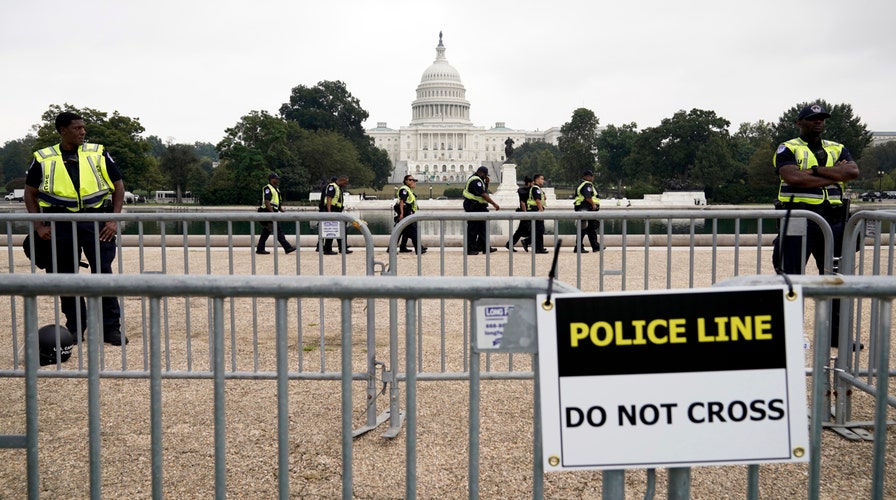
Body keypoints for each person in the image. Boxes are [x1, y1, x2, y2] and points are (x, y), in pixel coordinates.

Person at [23, 111, 127, 345]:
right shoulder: (43, 157)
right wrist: (38, 226)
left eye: (83, 128)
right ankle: (75, 328)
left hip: (96, 221)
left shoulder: (98, 153)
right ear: (63, 131)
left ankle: (111, 328)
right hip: (59, 224)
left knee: (103, 274)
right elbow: (30, 194)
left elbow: (118, 187)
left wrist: (113, 220)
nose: (83, 132)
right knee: (66, 278)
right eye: (78, 128)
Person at [771, 103, 859, 349]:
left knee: (835, 278)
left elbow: (852, 172)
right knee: (791, 277)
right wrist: (833, 174)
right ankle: (789, 335)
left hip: (833, 220)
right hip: (798, 218)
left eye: (821, 118)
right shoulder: (788, 148)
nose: (818, 122)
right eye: (812, 119)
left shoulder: (837, 147)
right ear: (799, 123)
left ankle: (836, 337)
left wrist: (815, 170)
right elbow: (793, 177)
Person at [462, 166, 500, 255]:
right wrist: (494, 204)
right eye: (485, 175)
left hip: (478, 206)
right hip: (473, 206)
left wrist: (487, 183)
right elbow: (483, 194)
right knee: (473, 229)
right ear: (481, 173)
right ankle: (470, 249)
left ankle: (484, 247)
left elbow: (484, 191)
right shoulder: (475, 181)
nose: (486, 177)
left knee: (483, 228)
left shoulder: (480, 180)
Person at [256, 172, 296, 255]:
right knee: (278, 230)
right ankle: (287, 247)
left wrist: (282, 211)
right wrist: (272, 213)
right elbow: (267, 202)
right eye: (276, 178)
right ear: (271, 179)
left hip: (272, 212)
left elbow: (277, 204)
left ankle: (260, 248)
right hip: (267, 212)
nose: (278, 180)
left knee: (267, 231)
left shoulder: (276, 189)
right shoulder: (268, 188)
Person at [319, 175, 351, 255]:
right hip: (332, 210)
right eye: (345, 183)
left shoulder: (338, 187)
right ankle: (327, 249)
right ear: (342, 181)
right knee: (332, 229)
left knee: (341, 229)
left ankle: (342, 248)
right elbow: (329, 199)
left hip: (337, 211)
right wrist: (329, 212)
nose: (345, 185)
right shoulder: (332, 187)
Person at [395, 175, 426, 254]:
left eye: (413, 180)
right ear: (406, 181)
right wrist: (402, 213)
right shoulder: (404, 190)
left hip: (407, 212)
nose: (413, 182)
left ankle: (401, 247)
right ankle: (419, 249)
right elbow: (402, 201)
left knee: (402, 230)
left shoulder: (408, 190)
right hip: (405, 212)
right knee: (413, 231)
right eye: (410, 180)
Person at [573, 170, 601, 253]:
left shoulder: (580, 183)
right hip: (585, 207)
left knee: (591, 228)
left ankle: (595, 246)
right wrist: (594, 205)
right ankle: (578, 247)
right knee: (583, 228)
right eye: (591, 176)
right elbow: (587, 197)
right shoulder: (586, 184)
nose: (592, 178)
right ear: (587, 176)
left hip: (583, 207)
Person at [522, 174, 549, 254]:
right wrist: (541, 210)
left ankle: (539, 248)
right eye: (542, 179)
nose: (543, 181)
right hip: (536, 210)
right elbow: (537, 200)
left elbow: (544, 198)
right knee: (539, 230)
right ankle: (527, 241)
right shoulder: (535, 189)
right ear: (537, 180)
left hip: (535, 210)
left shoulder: (537, 188)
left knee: (539, 230)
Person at [505, 176, 532, 252]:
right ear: (529, 183)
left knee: (520, 231)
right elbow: (522, 202)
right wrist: (525, 213)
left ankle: (510, 244)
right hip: (525, 212)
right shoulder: (525, 191)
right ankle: (527, 241)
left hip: (525, 212)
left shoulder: (524, 190)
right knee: (532, 229)